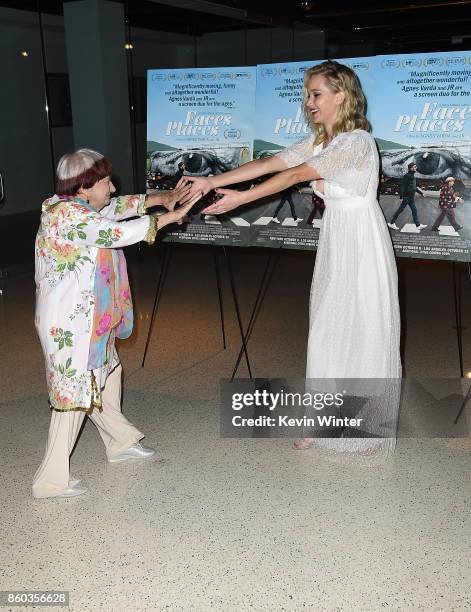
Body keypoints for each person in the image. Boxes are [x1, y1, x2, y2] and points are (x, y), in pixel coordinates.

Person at [184, 60, 401, 454]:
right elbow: (271, 164)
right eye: (307, 95)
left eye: (316, 94)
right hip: (338, 237)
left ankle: (365, 424)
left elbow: (295, 176)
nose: (309, 102)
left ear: (341, 95)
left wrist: (242, 198)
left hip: (362, 241)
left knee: (362, 328)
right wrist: (212, 181)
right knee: (326, 328)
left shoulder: (355, 142)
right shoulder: (322, 141)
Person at [33, 148, 199, 498]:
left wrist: (164, 198)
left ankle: (120, 442)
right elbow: (115, 233)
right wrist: (172, 216)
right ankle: (50, 481)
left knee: (108, 374)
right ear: (85, 186)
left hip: (93, 318)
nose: (112, 186)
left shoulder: (79, 205)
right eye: (106, 181)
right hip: (70, 326)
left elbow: (119, 206)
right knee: (74, 398)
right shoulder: (68, 217)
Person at [388, 162, 427, 230]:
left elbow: (414, 187)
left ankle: (418, 225)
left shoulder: (412, 176)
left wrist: (421, 193)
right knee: (400, 210)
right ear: (411, 168)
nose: (416, 168)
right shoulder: (407, 176)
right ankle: (391, 223)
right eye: (415, 167)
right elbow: (403, 186)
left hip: (411, 198)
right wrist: (401, 196)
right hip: (407, 197)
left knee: (414, 211)